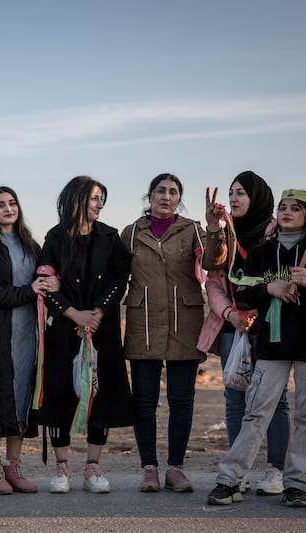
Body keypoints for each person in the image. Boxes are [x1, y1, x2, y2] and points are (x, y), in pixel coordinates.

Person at [207, 189, 306, 508]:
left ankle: (296, 483)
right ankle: (230, 479)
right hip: (271, 345)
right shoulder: (263, 254)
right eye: (283, 207)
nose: (287, 212)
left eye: (295, 208)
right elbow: (244, 296)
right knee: (256, 412)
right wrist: (270, 288)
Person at [121, 173, 224, 493]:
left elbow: (213, 261)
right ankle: (149, 468)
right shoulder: (131, 232)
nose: (166, 196)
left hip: (184, 321)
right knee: (144, 401)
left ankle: (176, 469)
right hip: (144, 323)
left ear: (179, 199)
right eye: (160, 191)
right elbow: (115, 275)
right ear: (149, 196)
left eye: (173, 192)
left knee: (181, 399)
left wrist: (213, 228)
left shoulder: (193, 228)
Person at [34, 175, 133, 494]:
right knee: (60, 392)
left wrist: (97, 314)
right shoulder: (55, 237)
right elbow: (45, 284)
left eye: (101, 198)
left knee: (99, 392)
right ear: (76, 199)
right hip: (64, 327)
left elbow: (119, 280)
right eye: (93, 198)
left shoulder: (110, 236)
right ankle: (62, 467)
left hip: (101, 328)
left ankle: (93, 467)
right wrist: (74, 314)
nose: (99, 204)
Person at [197, 170, 290, 495]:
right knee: (235, 398)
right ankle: (238, 471)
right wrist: (231, 314)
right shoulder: (225, 233)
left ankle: (276, 470)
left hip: (269, 325)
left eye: (242, 193)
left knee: (277, 401)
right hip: (231, 327)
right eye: (232, 192)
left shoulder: (278, 233)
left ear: (258, 197)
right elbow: (213, 277)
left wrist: (255, 310)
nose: (234, 198)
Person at [0, 186, 58, 495]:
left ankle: (13, 467)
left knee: (21, 397)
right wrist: (27, 292)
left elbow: (44, 280)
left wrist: (49, 283)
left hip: (29, 334)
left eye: (12, 203)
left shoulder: (31, 245)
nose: (8, 208)